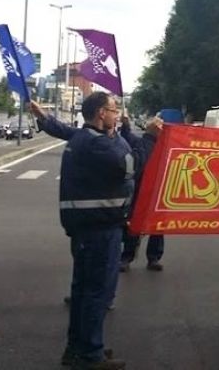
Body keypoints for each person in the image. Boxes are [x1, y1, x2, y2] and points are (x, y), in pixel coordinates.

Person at [34, 93, 160, 370]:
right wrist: (150, 138)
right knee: (96, 294)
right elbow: (131, 165)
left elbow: (114, 149)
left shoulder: (83, 138)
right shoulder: (97, 145)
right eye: (114, 110)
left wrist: (45, 119)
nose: (117, 114)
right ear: (101, 113)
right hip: (100, 229)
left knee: (82, 292)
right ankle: (90, 354)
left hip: (88, 229)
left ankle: (77, 349)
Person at [118, 113, 164, 272]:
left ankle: (135, 258)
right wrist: (125, 125)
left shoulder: (166, 145)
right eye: (160, 126)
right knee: (138, 224)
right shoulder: (141, 142)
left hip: (152, 191)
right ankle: (135, 257)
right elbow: (126, 136)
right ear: (155, 130)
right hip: (144, 190)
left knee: (152, 227)